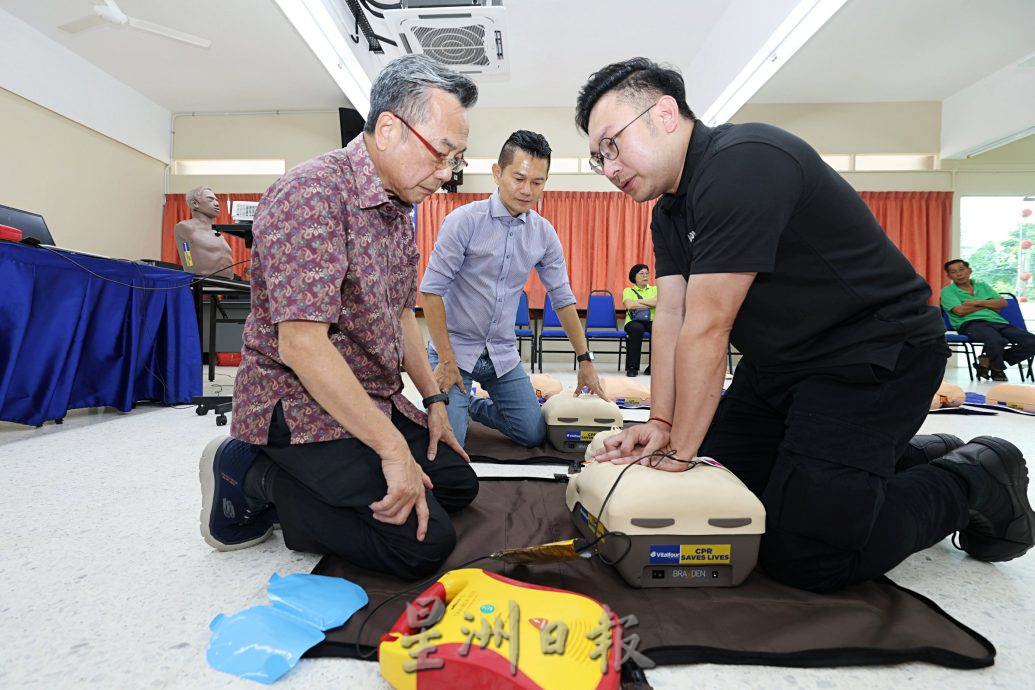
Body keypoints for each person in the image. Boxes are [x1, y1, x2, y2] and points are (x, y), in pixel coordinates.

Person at [577, 57, 1034, 592]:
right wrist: (661, 422)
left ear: (665, 113)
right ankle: (904, 459)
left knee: (805, 554)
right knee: (728, 494)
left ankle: (976, 473)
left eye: (612, 144)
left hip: (871, 358)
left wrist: (680, 452)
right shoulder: (669, 211)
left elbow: (709, 328)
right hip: (779, 367)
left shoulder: (743, 162)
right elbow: (673, 317)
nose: (608, 168)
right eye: (595, 158)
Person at [198, 55, 481, 579]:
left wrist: (435, 401)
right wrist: (393, 448)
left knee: (459, 483)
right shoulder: (312, 193)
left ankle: (330, 470)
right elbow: (302, 346)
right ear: (391, 128)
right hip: (299, 402)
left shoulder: (398, 210)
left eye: (456, 160)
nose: (446, 174)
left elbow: (401, 315)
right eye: (442, 154)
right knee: (422, 545)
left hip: (367, 393)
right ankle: (254, 473)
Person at [420, 130, 607, 448]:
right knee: (451, 444)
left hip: (501, 354)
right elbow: (431, 291)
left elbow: (562, 298)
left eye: (538, 182)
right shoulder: (463, 221)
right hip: (453, 351)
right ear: (497, 172)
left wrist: (586, 360)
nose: (527, 190)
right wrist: (447, 361)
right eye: (519, 178)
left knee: (532, 434)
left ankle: (472, 406)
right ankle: (453, 406)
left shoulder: (543, 234)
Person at [941, 259, 1035, 381]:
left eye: (961, 270)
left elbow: (1002, 303)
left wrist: (976, 302)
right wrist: (989, 304)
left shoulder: (983, 286)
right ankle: (997, 369)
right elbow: (959, 311)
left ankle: (988, 361)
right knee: (997, 341)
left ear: (969, 271)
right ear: (949, 276)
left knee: (1032, 341)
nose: (959, 274)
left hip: (998, 322)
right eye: (953, 272)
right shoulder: (947, 291)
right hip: (970, 324)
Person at [174, 186, 236, 279]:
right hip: (203, 284)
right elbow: (187, 255)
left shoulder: (218, 233)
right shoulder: (186, 227)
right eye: (210, 200)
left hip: (228, 285)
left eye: (216, 200)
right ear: (195, 203)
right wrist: (192, 278)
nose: (217, 204)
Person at [622, 263, 656, 377]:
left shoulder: (655, 289)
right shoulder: (628, 291)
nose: (645, 276)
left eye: (647, 273)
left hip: (652, 320)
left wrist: (637, 302)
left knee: (659, 329)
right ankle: (632, 367)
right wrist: (649, 302)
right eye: (641, 274)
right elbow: (629, 305)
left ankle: (653, 366)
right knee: (636, 329)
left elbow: (658, 302)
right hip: (633, 321)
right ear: (634, 276)